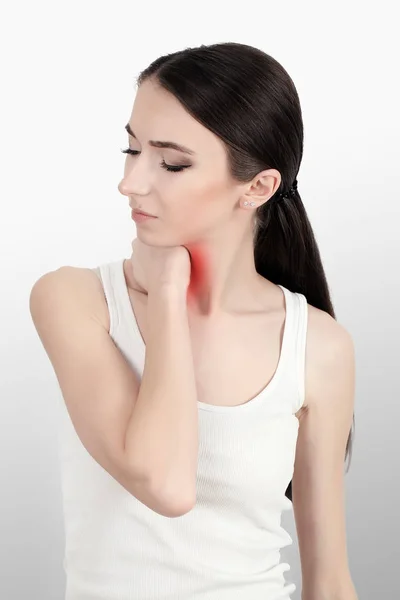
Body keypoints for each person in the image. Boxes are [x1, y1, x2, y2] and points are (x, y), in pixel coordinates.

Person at [30, 42, 358, 599]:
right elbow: (165, 481)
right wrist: (167, 292)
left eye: (171, 162)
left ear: (257, 187)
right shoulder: (75, 299)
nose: (130, 183)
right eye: (131, 149)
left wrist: (166, 288)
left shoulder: (316, 347)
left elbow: (328, 580)